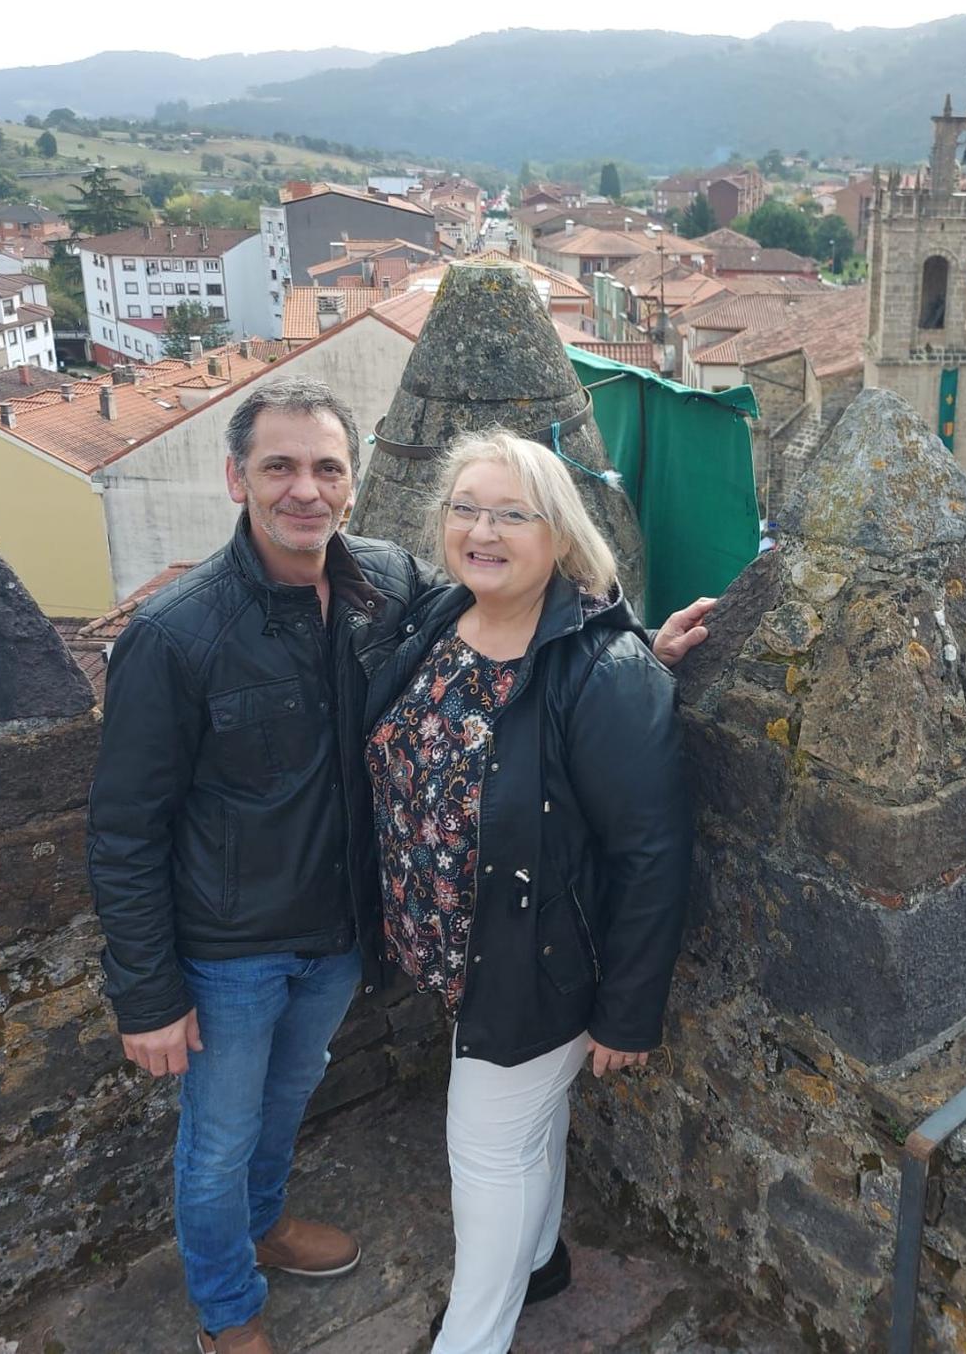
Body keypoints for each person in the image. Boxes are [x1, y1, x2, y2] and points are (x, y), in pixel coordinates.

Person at [87, 383, 708, 1354]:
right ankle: (228, 1312)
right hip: (231, 944)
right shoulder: (177, 635)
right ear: (234, 479)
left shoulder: (386, 586)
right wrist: (145, 991)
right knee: (216, 1143)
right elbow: (122, 828)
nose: (304, 489)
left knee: (305, 1115)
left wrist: (639, 653)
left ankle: (293, 1238)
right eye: (278, 467)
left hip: (351, 936)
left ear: (352, 482)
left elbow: (561, 663)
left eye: (326, 467)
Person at [363, 430, 694, 1354]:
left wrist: (629, 1014)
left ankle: (469, 1341)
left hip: (538, 965)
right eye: (466, 508)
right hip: (458, 953)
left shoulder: (606, 672)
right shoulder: (437, 619)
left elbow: (652, 852)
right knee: (525, 1127)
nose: (484, 529)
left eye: (513, 513)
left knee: (485, 1153)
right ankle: (542, 1260)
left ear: (560, 532)